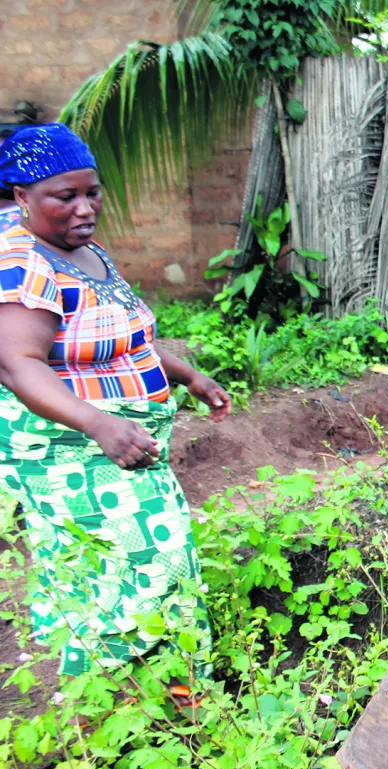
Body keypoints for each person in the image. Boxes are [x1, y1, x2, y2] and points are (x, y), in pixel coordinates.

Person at [0, 124, 231, 677]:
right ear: (22, 197)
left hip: (124, 446)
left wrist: (187, 376)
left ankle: (173, 687)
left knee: (159, 558)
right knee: (128, 565)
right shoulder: (23, 261)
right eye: (66, 196)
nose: (85, 208)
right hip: (74, 455)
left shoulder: (82, 250)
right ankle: (116, 697)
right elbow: (18, 363)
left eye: (92, 192)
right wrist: (98, 423)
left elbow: (127, 338)